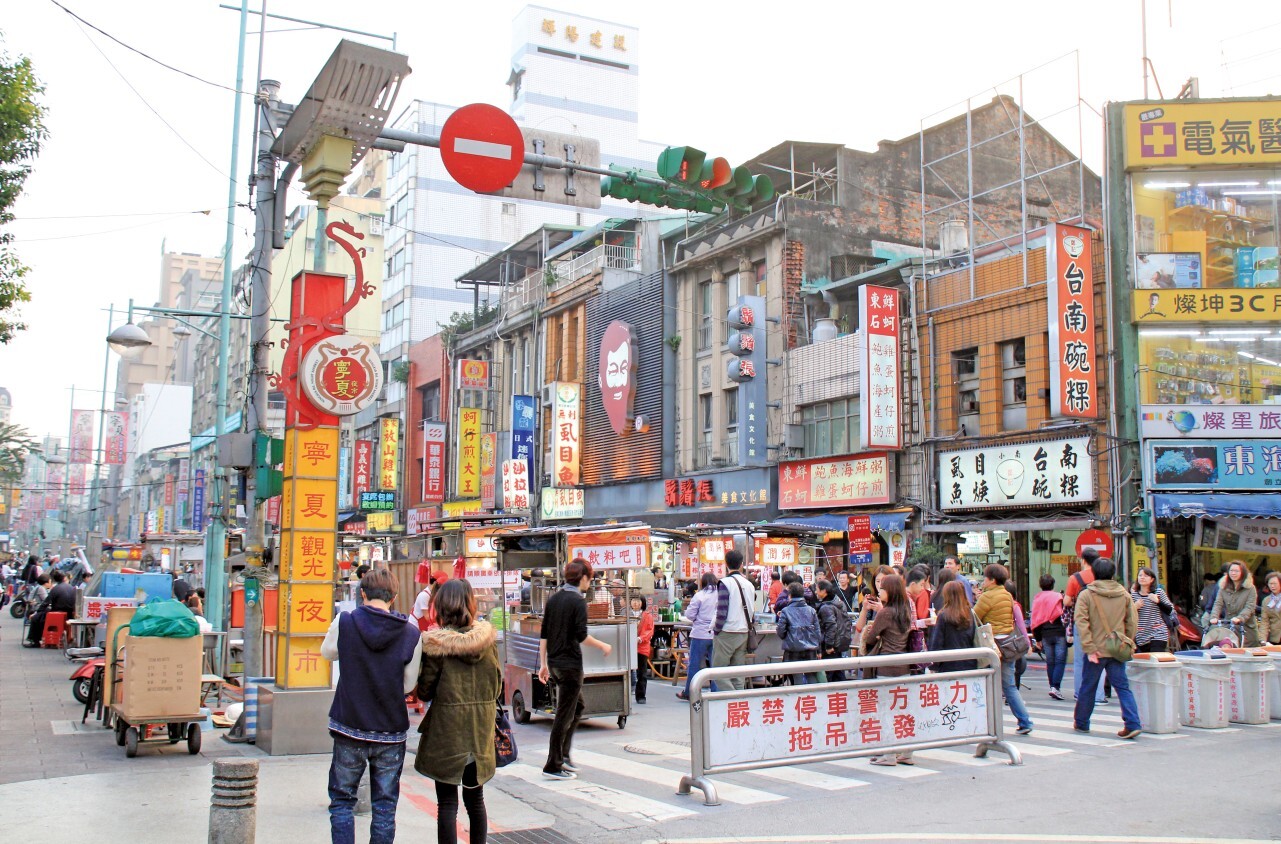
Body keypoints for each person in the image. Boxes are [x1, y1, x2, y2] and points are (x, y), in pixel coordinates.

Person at [320, 568, 423, 844]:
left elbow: (327, 652)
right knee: (385, 806)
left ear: (362, 593)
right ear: (395, 597)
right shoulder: (411, 633)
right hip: (390, 729)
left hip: (348, 724)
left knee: (342, 800)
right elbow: (407, 684)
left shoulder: (346, 621)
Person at [414, 578, 502, 844]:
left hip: (447, 733)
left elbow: (425, 691)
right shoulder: (487, 642)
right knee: (476, 800)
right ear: (470, 604)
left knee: (447, 803)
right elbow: (497, 686)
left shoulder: (436, 646)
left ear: (440, 606)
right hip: (479, 732)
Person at [539, 558, 613, 780]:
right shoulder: (577, 601)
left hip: (554, 662)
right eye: (590, 578)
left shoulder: (554, 599)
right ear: (583, 578)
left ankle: (564, 755)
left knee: (577, 706)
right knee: (564, 713)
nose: (590, 582)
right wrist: (603, 645)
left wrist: (543, 664)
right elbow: (581, 635)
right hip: (570, 664)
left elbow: (544, 634)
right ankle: (553, 764)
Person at [1072, 557, 1142, 739]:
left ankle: (1082, 722)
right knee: (1123, 687)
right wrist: (1126, 641)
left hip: (1096, 648)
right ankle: (1132, 723)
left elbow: (1081, 621)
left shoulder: (1087, 594)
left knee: (1089, 686)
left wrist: (1088, 646)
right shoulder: (1124, 594)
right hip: (1117, 647)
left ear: (1094, 573)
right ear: (1113, 573)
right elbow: (1132, 621)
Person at [861, 574, 916, 766]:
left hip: (886, 665)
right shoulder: (905, 610)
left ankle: (889, 754)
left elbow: (870, 638)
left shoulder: (886, 613)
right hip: (904, 665)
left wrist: (873, 634)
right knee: (902, 710)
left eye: (882, 588)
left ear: (890, 591)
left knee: (885, 710)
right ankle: (907, 752)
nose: (879, 591)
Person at [974, 564, 1033, 735]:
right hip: (1008, 644)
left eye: (985, 578)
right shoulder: (1007, 595)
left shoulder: (987, 597)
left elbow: (975, 617)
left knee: (984, 684)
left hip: (991, 645)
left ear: (992, 580)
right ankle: (1025, 720)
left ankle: (983, 723)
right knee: (1009, 686)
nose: (983, 581)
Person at [1064, 548, 1105, 704]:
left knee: (1080, 660)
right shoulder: (1102, 577)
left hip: (1081, 622)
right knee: (1099, 658)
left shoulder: (1075, 578)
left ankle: (1079, 693)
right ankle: (1099, 696)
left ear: (1083, 560)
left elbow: (1067, 601)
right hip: (1101, 623)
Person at [711, 550, 755, 691]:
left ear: (726, 564)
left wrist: (717, 630)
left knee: (718, 671)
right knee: (738, 673)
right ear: (741, 564)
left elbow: (722, 611)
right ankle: (738, 702)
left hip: (727, 632)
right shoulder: (749, 585)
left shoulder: (725, 583)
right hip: (744, 632)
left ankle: (730, 698)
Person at [678, 573, 718, 701]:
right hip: (716, 634)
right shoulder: (722, 595)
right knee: (715, 665)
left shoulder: (699, 595)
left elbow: (690, 615)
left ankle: (689, 692)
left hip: (700, 634)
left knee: (694, 664)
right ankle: (715, 692)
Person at [1030, 574, 1068, 699]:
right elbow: (1064, 616)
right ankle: (1055, 687)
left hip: (1045, 634)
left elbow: (1035, 621)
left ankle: (1053, 686)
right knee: (1060, 661)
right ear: (1053, 584)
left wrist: (1038, 639)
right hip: (1059, 632)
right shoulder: (1059, 597)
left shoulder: (1037, 599)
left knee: (1050, 662)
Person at [776, 582, 821, 684]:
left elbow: (780, 631)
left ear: (790, 595)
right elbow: (818, 632)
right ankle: (813, 697)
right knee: (811, 676)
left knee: (796, 677)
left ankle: (799, 698)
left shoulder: (786, 611)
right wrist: (819, 650)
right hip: (811, 649)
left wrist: (786, 636)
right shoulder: (811, 610)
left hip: (793, 649)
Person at [928, 580, 978, 672]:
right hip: (969, 662)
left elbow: (937, 643)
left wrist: (933, 666)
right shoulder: (969, 613)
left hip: (948, 664)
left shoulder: (943, 615)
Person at [1209, 560, 1259, 646]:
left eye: (1236, 571)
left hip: (1246, 627)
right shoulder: (1223, 586)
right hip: (1229, 624)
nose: (1233, 573)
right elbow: (1218, 604)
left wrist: (1240, 618)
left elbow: (1250, 607)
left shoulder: (1250, 588)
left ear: (1242, 572)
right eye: (1231, 571)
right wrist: (1214, 617)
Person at [24, 569, 76, 647]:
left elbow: (45, 603)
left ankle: (35, 641)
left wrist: (37, 612)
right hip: (70, 613)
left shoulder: (55, 589)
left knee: (36, 618)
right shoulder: (72, 588)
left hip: (57, 613)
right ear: (64, 578)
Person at [1130, 567, 1175, 653]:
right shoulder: (1133, 595)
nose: (1142, 577)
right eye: (1140, 575)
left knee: (1155, 659)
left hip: (1158, 632)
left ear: (1152, 579)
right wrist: (1134, 607)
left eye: (1146, 576)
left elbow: (1170, 610)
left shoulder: (1158, 592)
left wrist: (1158, 601)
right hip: (1141, 634)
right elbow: (1126, 615)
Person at [815, 579, 853, 681]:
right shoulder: (838, 603)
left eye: (817, 589)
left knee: (829, 675)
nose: (815, 592)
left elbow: (831, 626)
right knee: (838, 673)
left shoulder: (826, 607)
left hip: (830, 647)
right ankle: (843, 694)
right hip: (839, 643)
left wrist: (829, 645)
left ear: (824, 591)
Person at [1004, 582, 1029, 690]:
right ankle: (1013, 692)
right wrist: (1027, 642)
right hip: (1014, 641)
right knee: (1015, 669)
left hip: (1002, 640)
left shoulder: (998, 604)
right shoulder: (1015, 605)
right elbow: (1021, 625)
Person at [630, 595, 653, 704]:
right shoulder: (625, 613)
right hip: (629, 646)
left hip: (641, 647)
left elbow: (649, 631)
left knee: (642, 673)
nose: (635, 603)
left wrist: (640, 638)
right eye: (633, 600)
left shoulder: (647, 616)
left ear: (642, 602)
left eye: (638, 601)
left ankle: (641, 695)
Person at [1259, 572, 1281, 645]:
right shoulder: (1266, 601)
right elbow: (1264, 622)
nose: (1272, 586)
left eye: (1275, 584)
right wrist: (1262, 640)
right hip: (1275, 638)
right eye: (1270, 584)